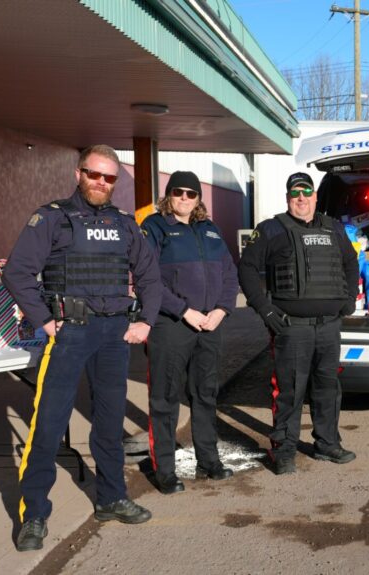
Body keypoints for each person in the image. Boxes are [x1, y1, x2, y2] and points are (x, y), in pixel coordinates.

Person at [4, 145, 162, 552]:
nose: (101, 183)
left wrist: (145, 320)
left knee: (109, 425)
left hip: (114, 336)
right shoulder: (53, 217)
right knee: (48, 426)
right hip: (69, 334)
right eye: (95, 174)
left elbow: (149, 275)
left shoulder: (125, 224)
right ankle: (34, 515)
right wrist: (43, 318)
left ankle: (111, 499)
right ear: (79, 173)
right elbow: (18, 271)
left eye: (110, 178)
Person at [238, 172, 359, 475]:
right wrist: (265, 311)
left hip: (329, 326)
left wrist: (350, 297)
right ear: (288, 197)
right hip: (291, 328)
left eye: (306, 192)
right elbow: (247, 270)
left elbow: (350, 262)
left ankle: (327, 443)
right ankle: (284, 449)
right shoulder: (270, 230)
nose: (301, 198)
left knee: (327, 388)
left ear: (316, 196)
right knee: (290, 390)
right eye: (295, 193)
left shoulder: (334, 229)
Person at [140, 171, 239, 494]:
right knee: (166, 398)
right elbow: (148, 279)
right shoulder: (155, 228)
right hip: (171, 325)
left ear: (199, 199)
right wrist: (184, 311)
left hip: (209, 326)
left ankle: (208, 460)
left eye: (191, 194)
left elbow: (229, 274)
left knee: (205, 395)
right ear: (168, 195)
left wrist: (222, 310)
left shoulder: (210, 231)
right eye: (178, 192)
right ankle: (165, 470)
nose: (184, 198)